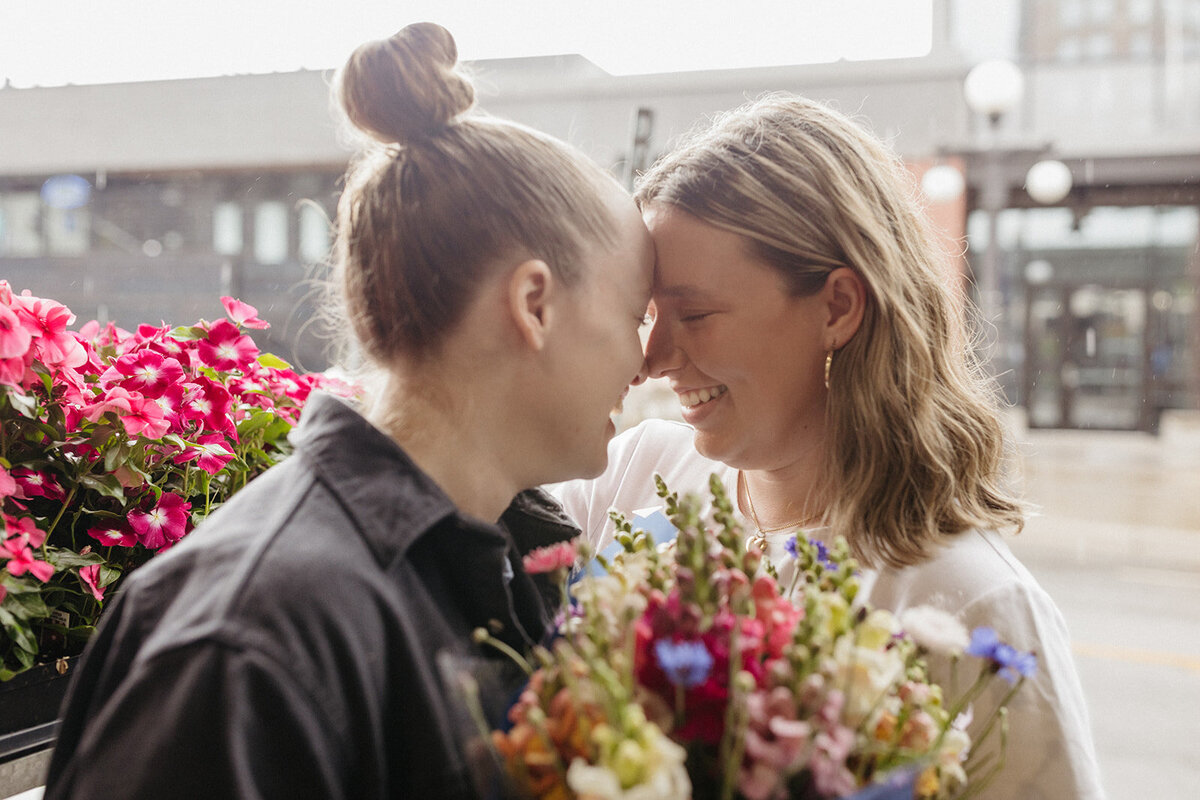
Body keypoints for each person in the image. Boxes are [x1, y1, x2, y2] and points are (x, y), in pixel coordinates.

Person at [44, 22, 652, 800]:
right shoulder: (250, 644)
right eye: (635, 314)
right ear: (534, 303)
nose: (648, 359)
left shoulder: (505, 564)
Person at [554, 94, 1106, 799]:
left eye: (693, 313)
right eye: (649, 313)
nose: (651, 358)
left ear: (838, 307)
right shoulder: (630, 472)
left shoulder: (971, 607)